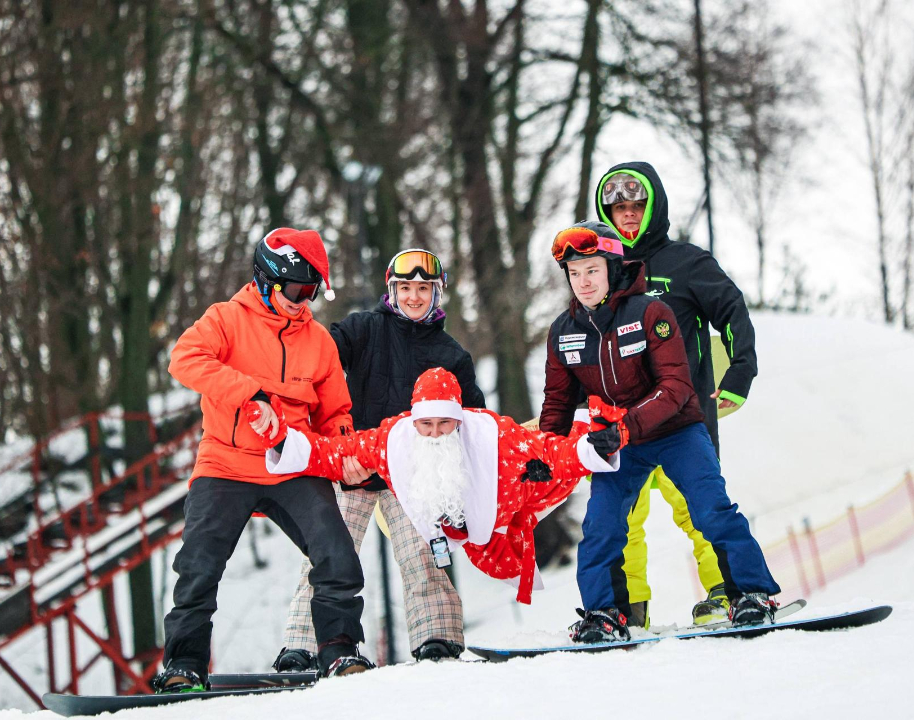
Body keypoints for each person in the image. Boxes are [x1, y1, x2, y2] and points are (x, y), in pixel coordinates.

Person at [153, 228, 374, 692]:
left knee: (336, 555)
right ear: (266, 279)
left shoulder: (318, 341)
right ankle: (184, 666)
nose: (303, 300)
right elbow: (184, 359)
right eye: (296, 289)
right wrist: (249, 394)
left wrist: (346, 456)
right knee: (198, 565)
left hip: (291, 465)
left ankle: (339, 650)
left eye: (312, 291)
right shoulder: (226, 319)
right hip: (225, 464)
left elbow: (335, 414)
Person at [539, 221, 779, 643]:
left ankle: (751, 593)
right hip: (619, 445)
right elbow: (557, 405)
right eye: (574, 274)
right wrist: (544, 456)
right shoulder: (563, 332)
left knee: (710, 510)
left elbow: (676, 387)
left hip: (677, 431)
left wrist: (624, 428)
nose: (583, 282)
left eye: (592, 270)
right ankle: (603, 614)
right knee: (602, 526)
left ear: (613, 269)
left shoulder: (651, 312)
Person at [277, 249, 486, 670]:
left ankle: (437, 640)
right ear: (392, 290)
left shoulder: (451, 354)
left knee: (423, 554)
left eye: (422, 289)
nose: (413, 297)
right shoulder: (363, 328)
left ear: (436, 293)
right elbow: (319, 362)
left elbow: (475, 421)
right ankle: (303, 646)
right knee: (327, 555)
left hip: (412, 474)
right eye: (405, 288)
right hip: (353, 463)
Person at [264, 368, 625, 605]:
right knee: (488, 560)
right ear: (414, 420)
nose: (435, 433)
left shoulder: (493, 435)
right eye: (427, 425)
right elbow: (334, 451)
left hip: (513, 493)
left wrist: (592, 447)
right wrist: (283, 441)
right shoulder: (393, 438)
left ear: (459, 419)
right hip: (461, 528)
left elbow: (550, 452)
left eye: (444, 423)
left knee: (559, 471)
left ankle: (604, 422)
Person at [594, 162, 760, 626]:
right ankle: (627, 612)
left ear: (654, 208)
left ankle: (728, 594)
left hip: (682, 416)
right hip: (619, 424)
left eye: (636, 205)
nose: (627, 215)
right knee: (620, 521)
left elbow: (732, 311)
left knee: (701, 508)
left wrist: (740, 374)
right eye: (618, 208)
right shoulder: (597, 273)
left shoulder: (687, 262)